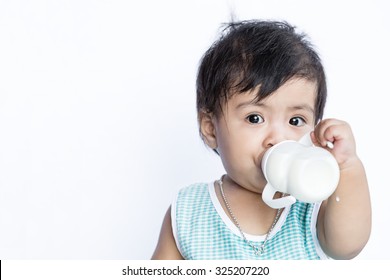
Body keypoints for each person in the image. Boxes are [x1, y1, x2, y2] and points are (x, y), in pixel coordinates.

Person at [152, 20, 371, 260]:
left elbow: (348, 246)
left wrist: (347, 166)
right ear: (211, 129)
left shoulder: (312, 203)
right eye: (255, 118)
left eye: (296, 121)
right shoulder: (189, 211)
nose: (278, 138)